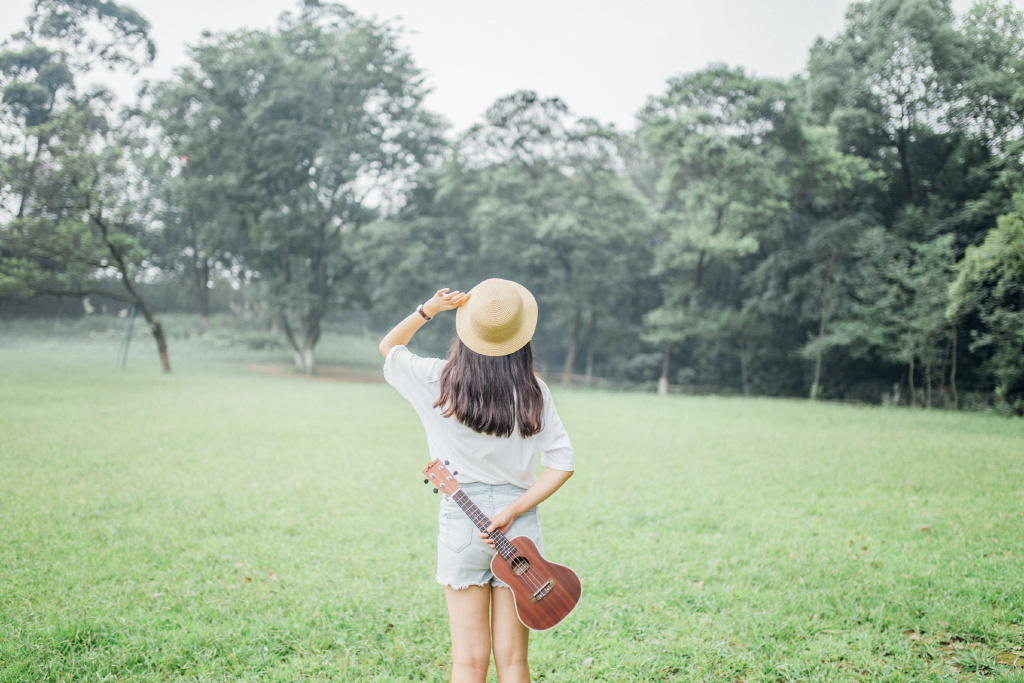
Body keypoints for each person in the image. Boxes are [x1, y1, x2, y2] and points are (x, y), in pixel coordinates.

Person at [379, 279, 575, 683]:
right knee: (514, 662)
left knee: (467, 663)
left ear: (468, 330)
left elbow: (389, 348)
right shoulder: (534, 392)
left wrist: (429, 309)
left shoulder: (437, 379)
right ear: (521, 335)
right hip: (517, 532)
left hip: (461, 523)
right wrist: (513, 511)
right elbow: (562, 463)